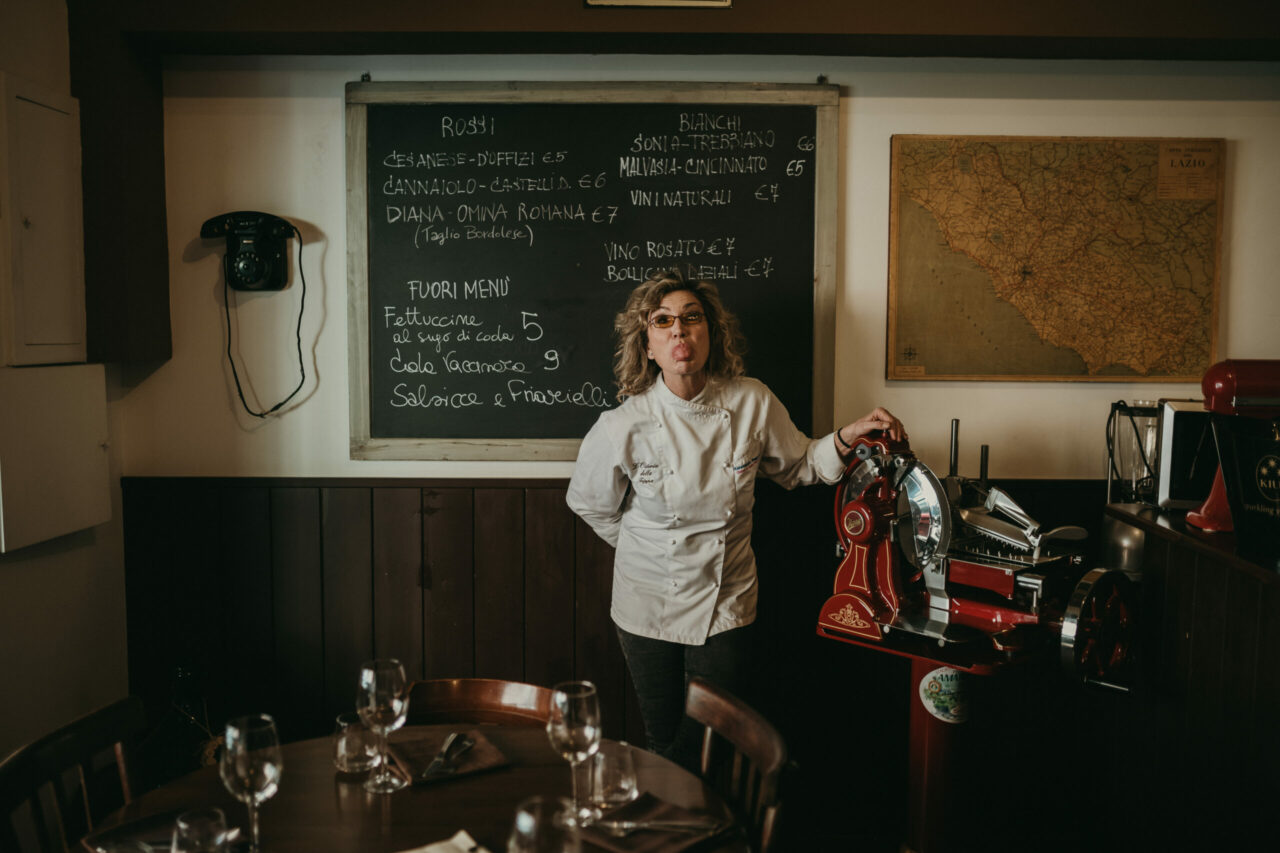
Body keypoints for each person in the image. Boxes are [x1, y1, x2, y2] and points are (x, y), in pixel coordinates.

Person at [566, 270, 906, 766]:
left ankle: (680, 822)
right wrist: (648, 548)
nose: (679, 330)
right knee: (663, 736)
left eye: (691, 318)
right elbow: (590, 503)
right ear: (649, 345)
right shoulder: (622, 425)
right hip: (646, 601)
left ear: (710, 333)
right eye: (663, 322)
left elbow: (801, 466)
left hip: (727, 596)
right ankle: (683, 834)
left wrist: (848, 434)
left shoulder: (751, 401)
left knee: (711, 738)